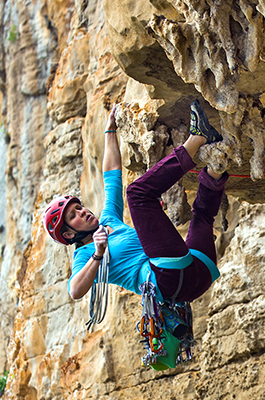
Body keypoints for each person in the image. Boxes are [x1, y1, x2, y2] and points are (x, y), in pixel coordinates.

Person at [43, 100, 228, 311]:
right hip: (167, 279)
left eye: (78, 207)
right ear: (68, 234)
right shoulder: (84, 254)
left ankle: (217, 164)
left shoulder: (108, 219)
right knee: (137, 194)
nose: (82, 211)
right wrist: (98, 253)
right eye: (72, 216)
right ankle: (198, 138)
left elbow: (112, 174)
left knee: (203, 216)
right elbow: (75, 290)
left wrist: (110, 131)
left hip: (199, 270)